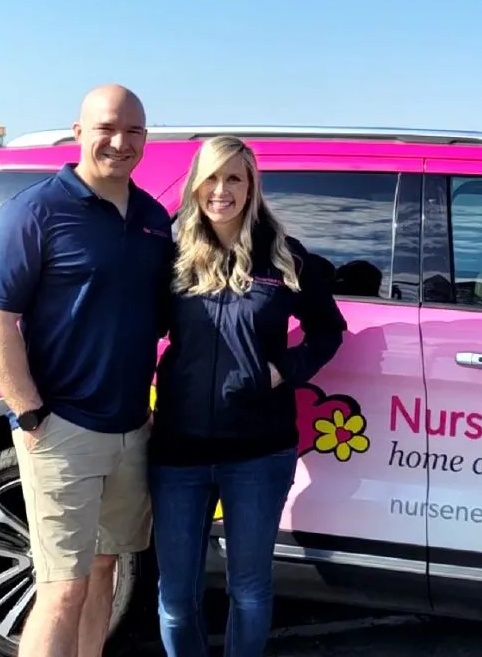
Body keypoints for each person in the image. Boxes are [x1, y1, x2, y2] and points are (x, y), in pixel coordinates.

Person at [0, 84, 175, 657]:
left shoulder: (153, 218)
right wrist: (31, 414)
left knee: (104, 571)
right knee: (62, 587)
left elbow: (162, 315)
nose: (120, 142)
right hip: (64, 430)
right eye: (107, 128)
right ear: (79, 131)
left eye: (134, 131)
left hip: (131, 428)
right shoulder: (35, 211)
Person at [150, 135, 347, 657]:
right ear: (196, 184)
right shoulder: (170, 256)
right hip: (177, 453)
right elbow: (132, 327)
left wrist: (285, 368)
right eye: (212, 178)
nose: (222, 190)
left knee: (250, 589)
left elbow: (328, 329)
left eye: (234, 178)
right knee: (176, 595)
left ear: (251, 186)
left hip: (259, 454)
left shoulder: (282, 255)